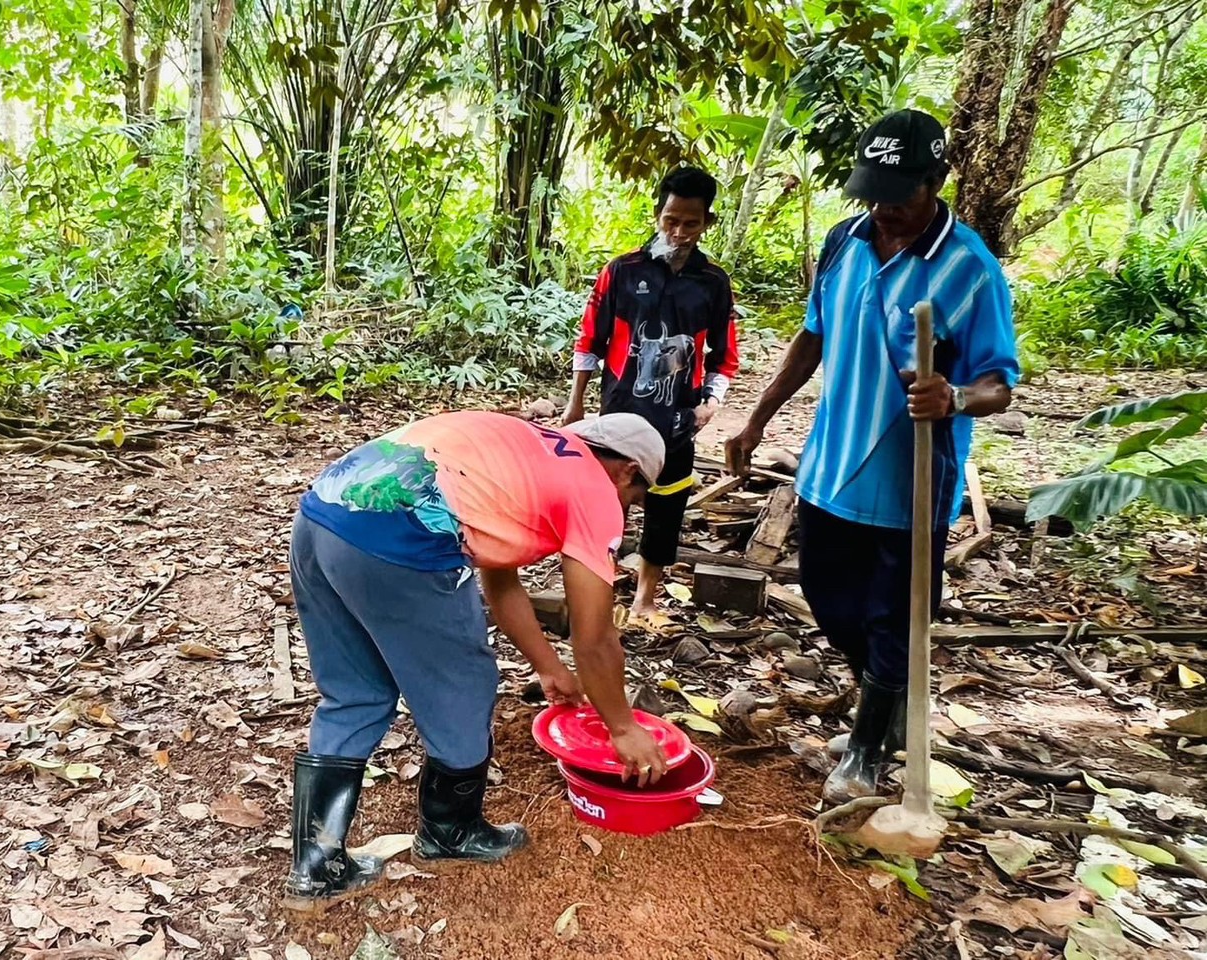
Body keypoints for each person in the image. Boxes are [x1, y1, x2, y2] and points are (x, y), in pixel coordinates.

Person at [724, 110, 1019, 803]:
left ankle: (865, 749)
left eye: (900, 194)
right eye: (873, 192)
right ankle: (886, 703)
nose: (884, 209)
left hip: (909, 479)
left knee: (893, 614)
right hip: (830, 466)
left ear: (936, 180)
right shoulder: (843, 242)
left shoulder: (968, 268)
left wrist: (953, 398)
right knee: (830, 599)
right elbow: (811, 337)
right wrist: (756, 419)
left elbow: (997, 385)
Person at [283, 410, 672, 908]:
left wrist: (549, 667)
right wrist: (622, 727)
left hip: (322, 516)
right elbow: (594, 638)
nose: (629, 506)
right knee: (464, 686)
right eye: (635, 497)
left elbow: (498, 577)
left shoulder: (531, 453)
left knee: (355, 693)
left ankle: (317, 869)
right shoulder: (596, 492)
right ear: (628, 472)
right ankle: (451, 833)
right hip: (401, 541)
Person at [564, 167, 739, 630]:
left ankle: (645, 596)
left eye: (691, 223)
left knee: (668, 501)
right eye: (670, 220)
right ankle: (597, 582)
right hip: (620, 411)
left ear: (707, 223)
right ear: (658, 214)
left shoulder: (713, 282)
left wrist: (712, 402)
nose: (678, 232)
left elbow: (725, 355)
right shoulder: (622, 271)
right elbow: (590, 340)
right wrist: (576, 403)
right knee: (606, 496)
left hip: (680, 415)